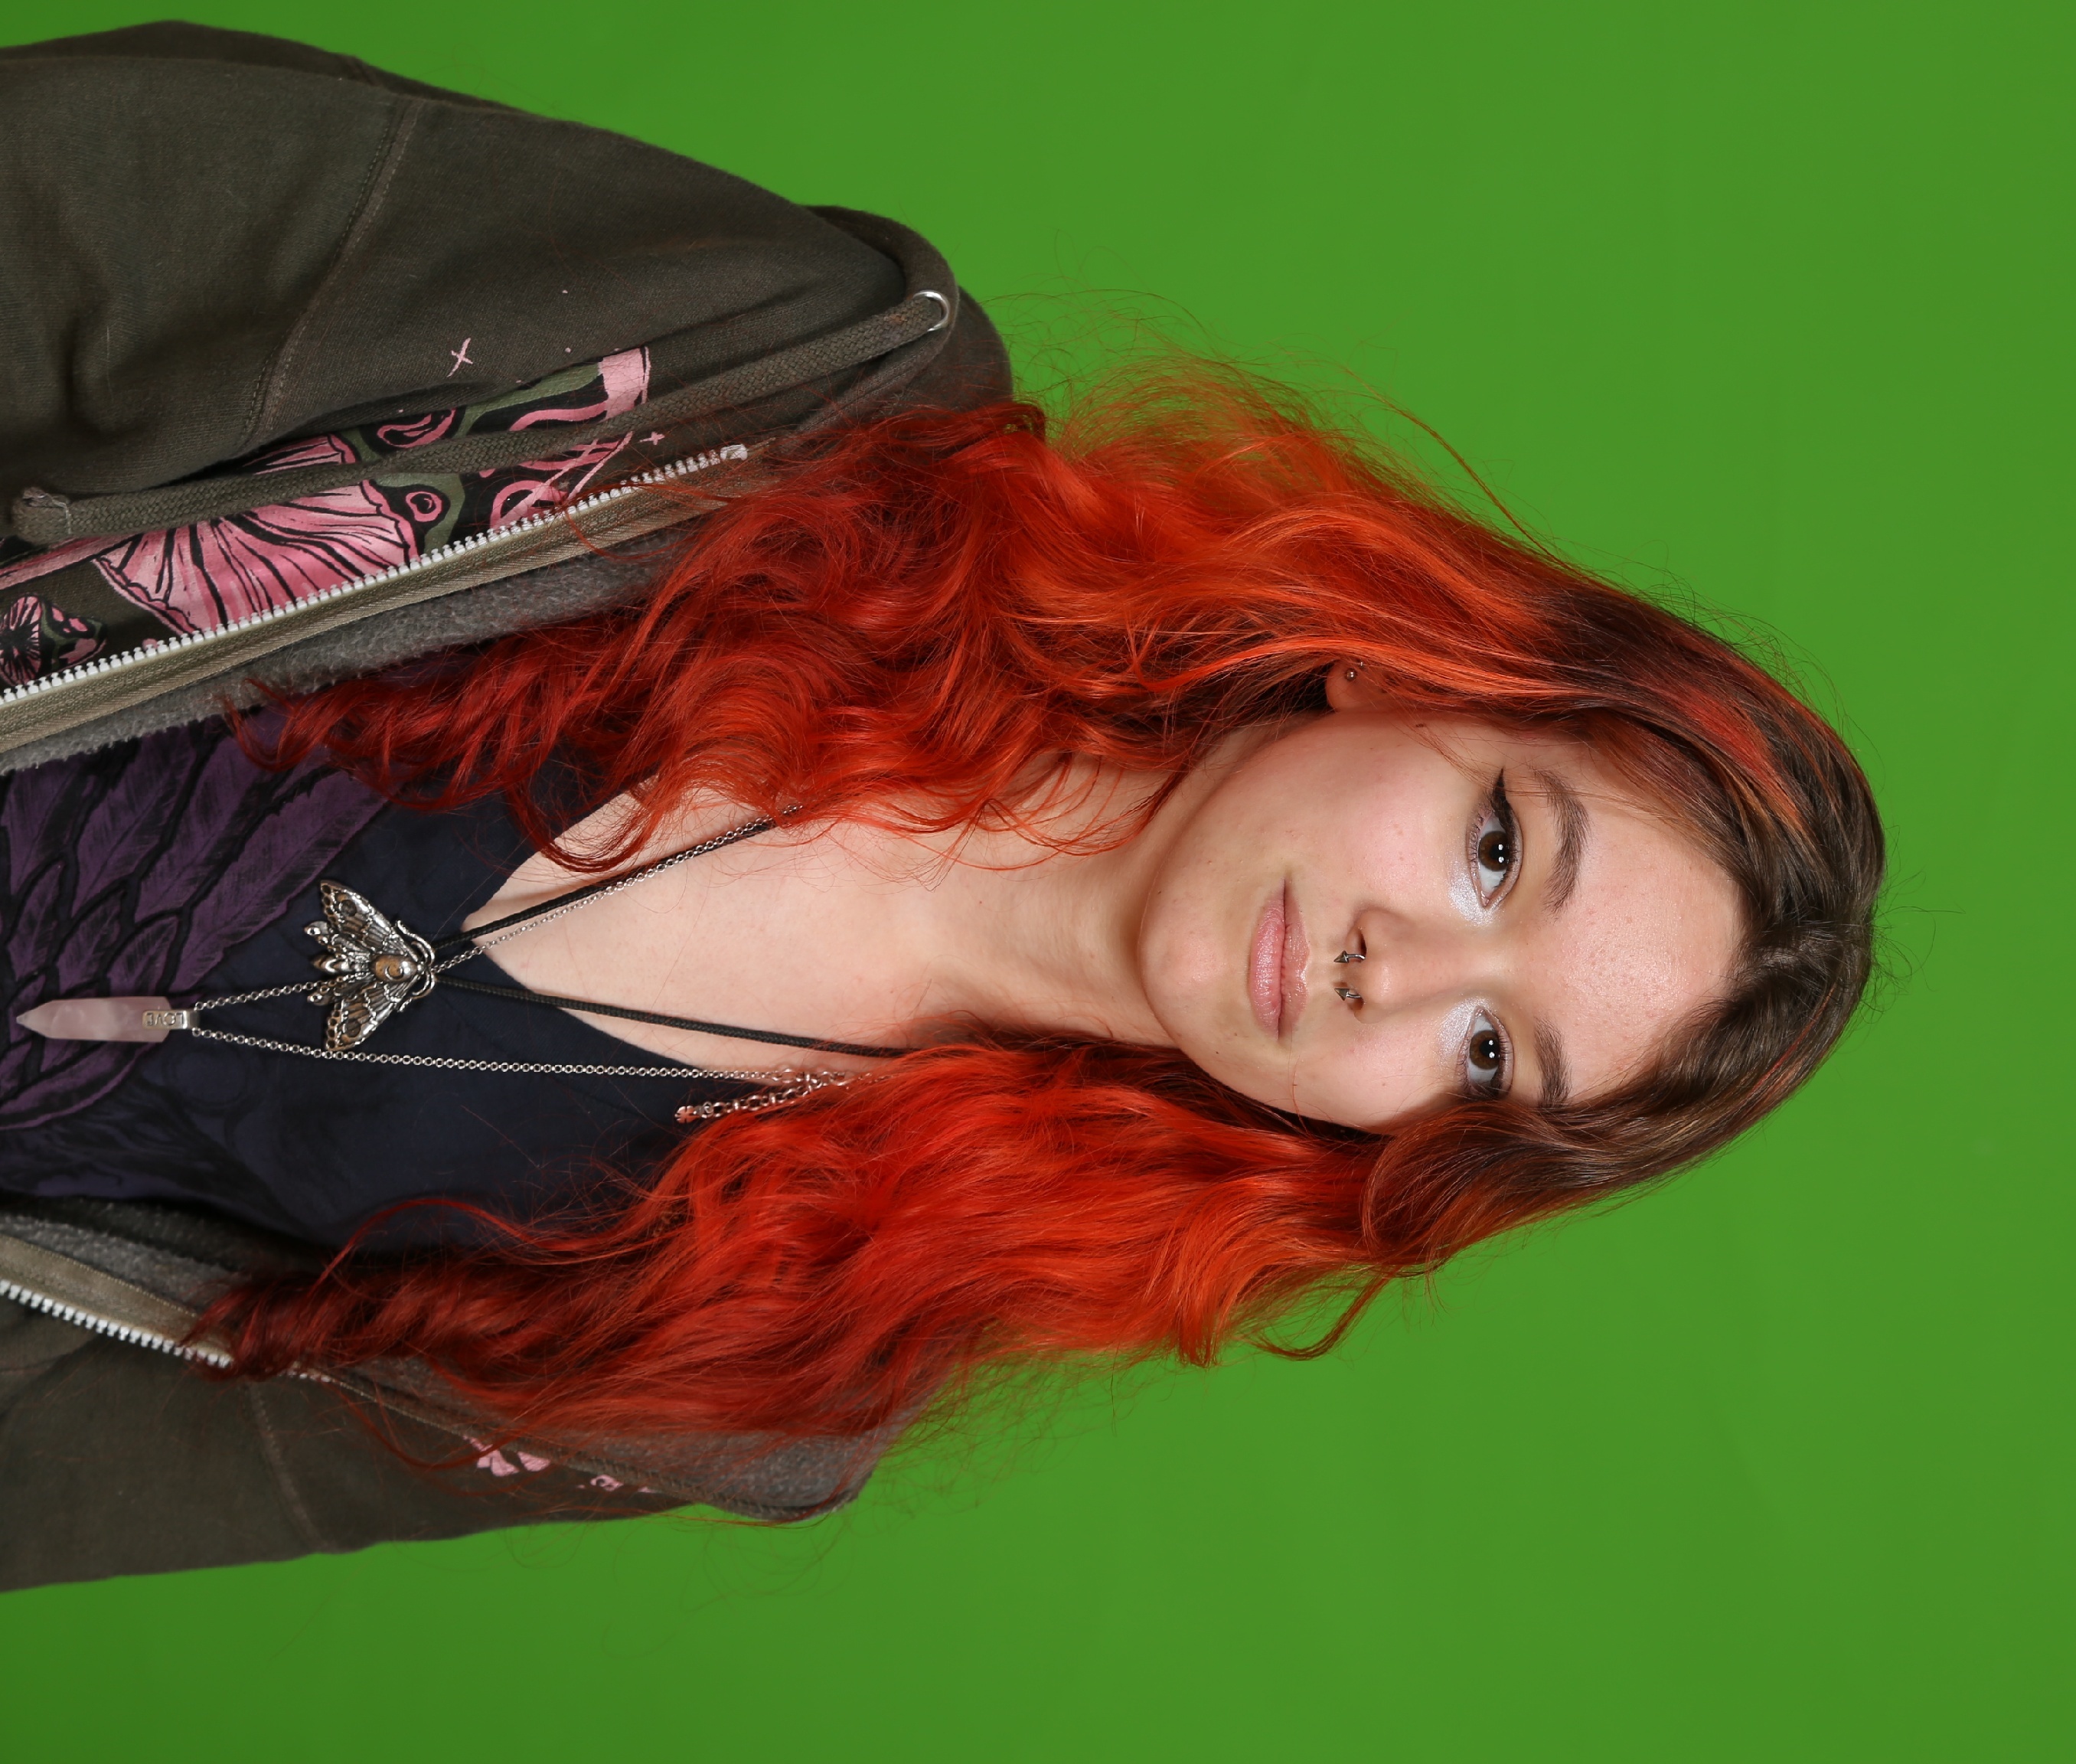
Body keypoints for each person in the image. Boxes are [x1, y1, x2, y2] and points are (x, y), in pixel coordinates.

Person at [0, 23, 1883, 1589]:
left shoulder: (779, 1367)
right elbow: (103, 213)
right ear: (1412, 673)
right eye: (1499, 850)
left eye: (1487, 1057)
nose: (1398, 971)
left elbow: (77, 1454)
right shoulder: (804, 393)